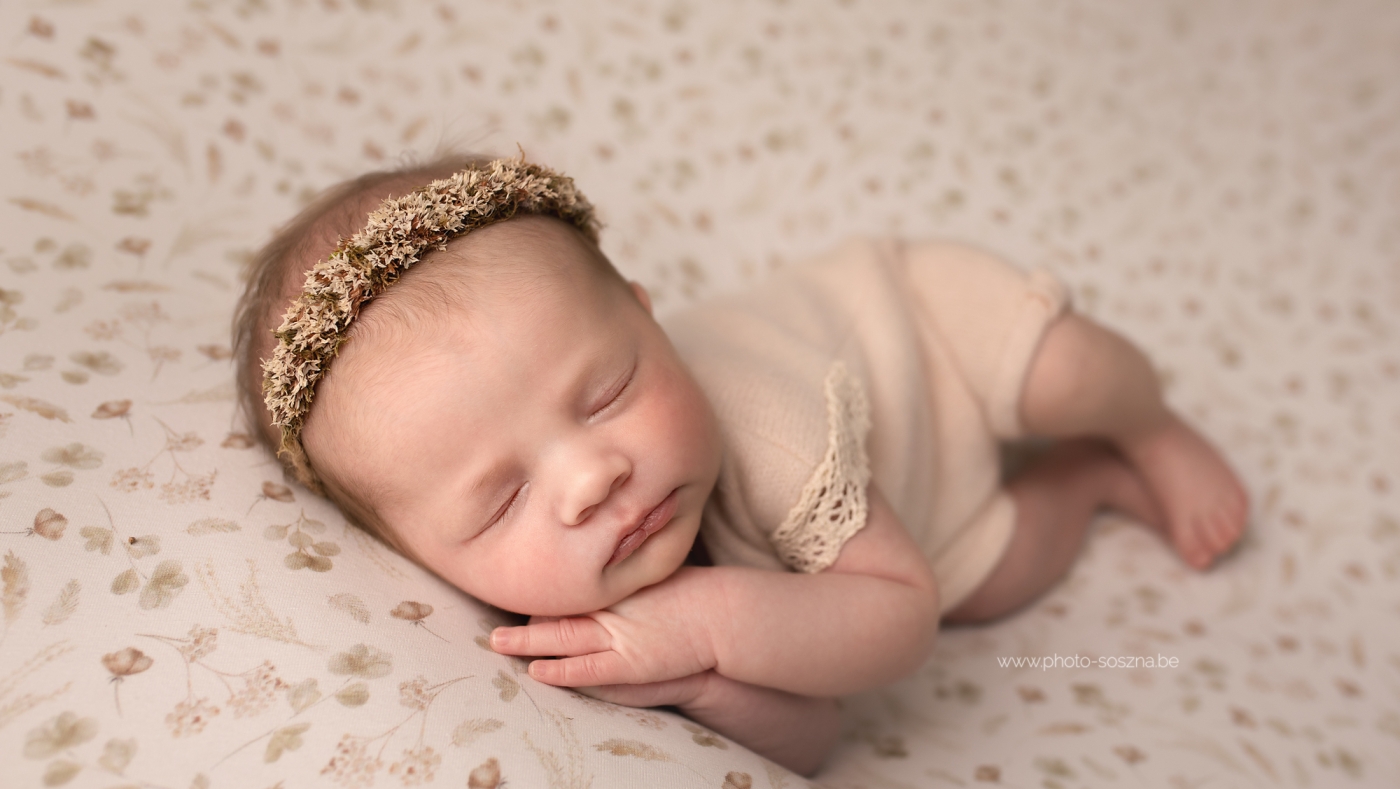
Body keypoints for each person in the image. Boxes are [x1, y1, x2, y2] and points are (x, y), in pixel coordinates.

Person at [234, 155, 1248, 775]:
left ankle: (1145, 423)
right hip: (915, 524)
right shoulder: (583, 599)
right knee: (999, 580)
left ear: (644, 313)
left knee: (1065, 372)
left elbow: (898, 620)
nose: (591, 479)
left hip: (924, 329)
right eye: (501, 501)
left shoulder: (763, 429)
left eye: (605, 395)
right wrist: (700, 678)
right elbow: (816, 742)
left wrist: (699, 622)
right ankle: (1088, 480)